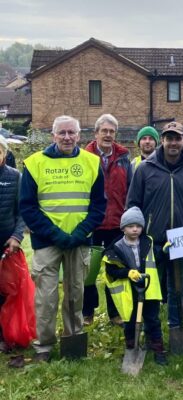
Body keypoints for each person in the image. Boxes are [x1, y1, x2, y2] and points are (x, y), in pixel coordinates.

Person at [20, 115, 106, 362]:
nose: (67, 137)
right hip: (48, 242)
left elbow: (99, 206)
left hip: (78, 242)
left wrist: (79, 234)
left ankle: (73, 340)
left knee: (75, 294)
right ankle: (43, 346)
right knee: (46, 298)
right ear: (53, 136)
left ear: (79, 135)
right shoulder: (35, 163)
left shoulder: (92, 162)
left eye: (72, 133)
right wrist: (56, 234)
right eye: (62, 133)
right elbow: (28, 207)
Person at [127, 121, 183, 331]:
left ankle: (175, 327)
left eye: (177, 138)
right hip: (151, 240)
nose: (173, 143)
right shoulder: (145, 169)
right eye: (169, 138)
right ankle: (152, 329)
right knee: (151, 288)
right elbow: (133, 203)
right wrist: (135, 229)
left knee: (178, 288)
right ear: (162, 141)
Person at [82, 114, 131, 327]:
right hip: (92, 224)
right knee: (88, 272)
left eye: (112, 131)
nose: (108, 135)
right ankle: (87, 313)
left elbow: (130, 191)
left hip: (117, 225)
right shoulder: (84, 158)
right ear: (96, 133)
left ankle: (115, 313)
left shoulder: (123, 159)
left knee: (115, 270)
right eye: (104, 131)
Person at [103, 207, 167, 365]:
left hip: (149, 289)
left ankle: (158, 348)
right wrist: (127, 272)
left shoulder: (147, 242)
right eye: (131, 226)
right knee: (130, 321)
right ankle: (131, 347)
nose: (135, 229)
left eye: (138, 226)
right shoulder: (115, 248)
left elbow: (155, 259)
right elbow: (111, 270)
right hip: (129, 291)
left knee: (152, 319)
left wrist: (164, 252)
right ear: (123, 228)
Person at [0, 135, 26, 360]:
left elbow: (21, 212)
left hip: (6, 244)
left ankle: (4, 336)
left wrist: (17, 237)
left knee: (6, 293)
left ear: (4, 153)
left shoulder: (14, 177)